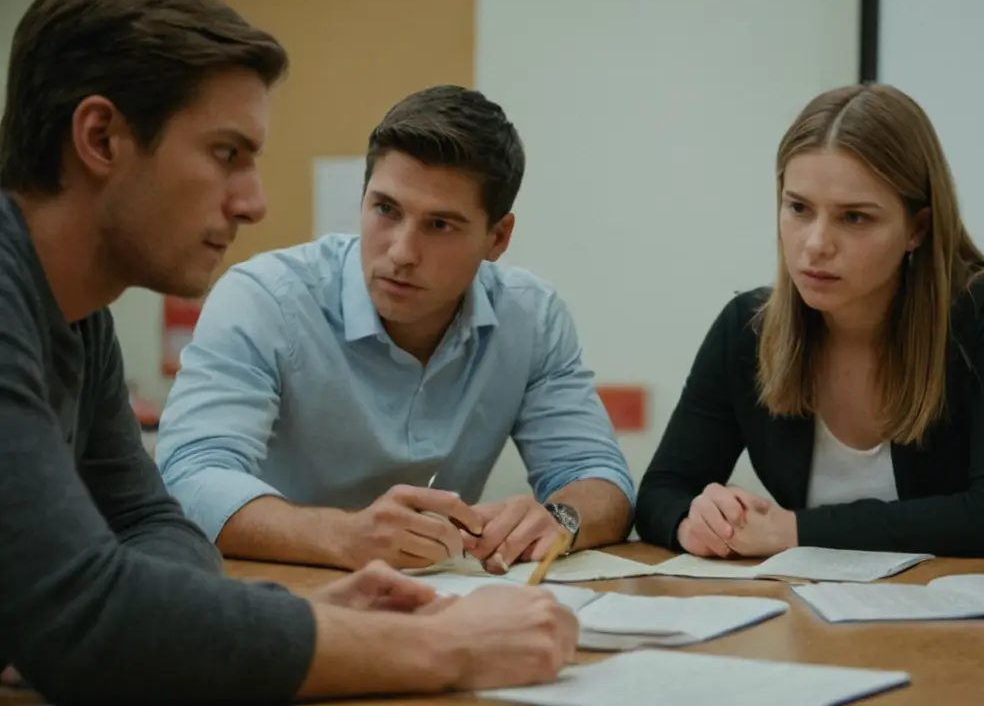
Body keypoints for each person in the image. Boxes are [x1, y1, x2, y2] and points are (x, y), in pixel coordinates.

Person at [0, 0, 577, 703]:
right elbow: (90, 615)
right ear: (103, 137)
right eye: (226, 154)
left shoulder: (78, 320)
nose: (254, 203)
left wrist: (288, 622)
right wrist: (438, 644)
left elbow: (148, 530)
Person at [155, 85, 635, 574]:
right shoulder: (264, 298)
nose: (402, 252)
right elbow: (188, 480)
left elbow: (600, 479)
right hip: (274, 597)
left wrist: (560, 519)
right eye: (386, 210)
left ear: (497, 237)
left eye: (440, 225)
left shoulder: (531, 317)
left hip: (437, 604)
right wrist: (343, 537)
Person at [634, 84, 984, 559]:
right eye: (798, 208)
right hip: (807, 620)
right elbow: (660, 493)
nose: (815, 243)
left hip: (955, 622)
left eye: (854, 218)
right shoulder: (747, 328)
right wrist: (694, 521)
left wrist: (794, 531)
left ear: (917, 228)